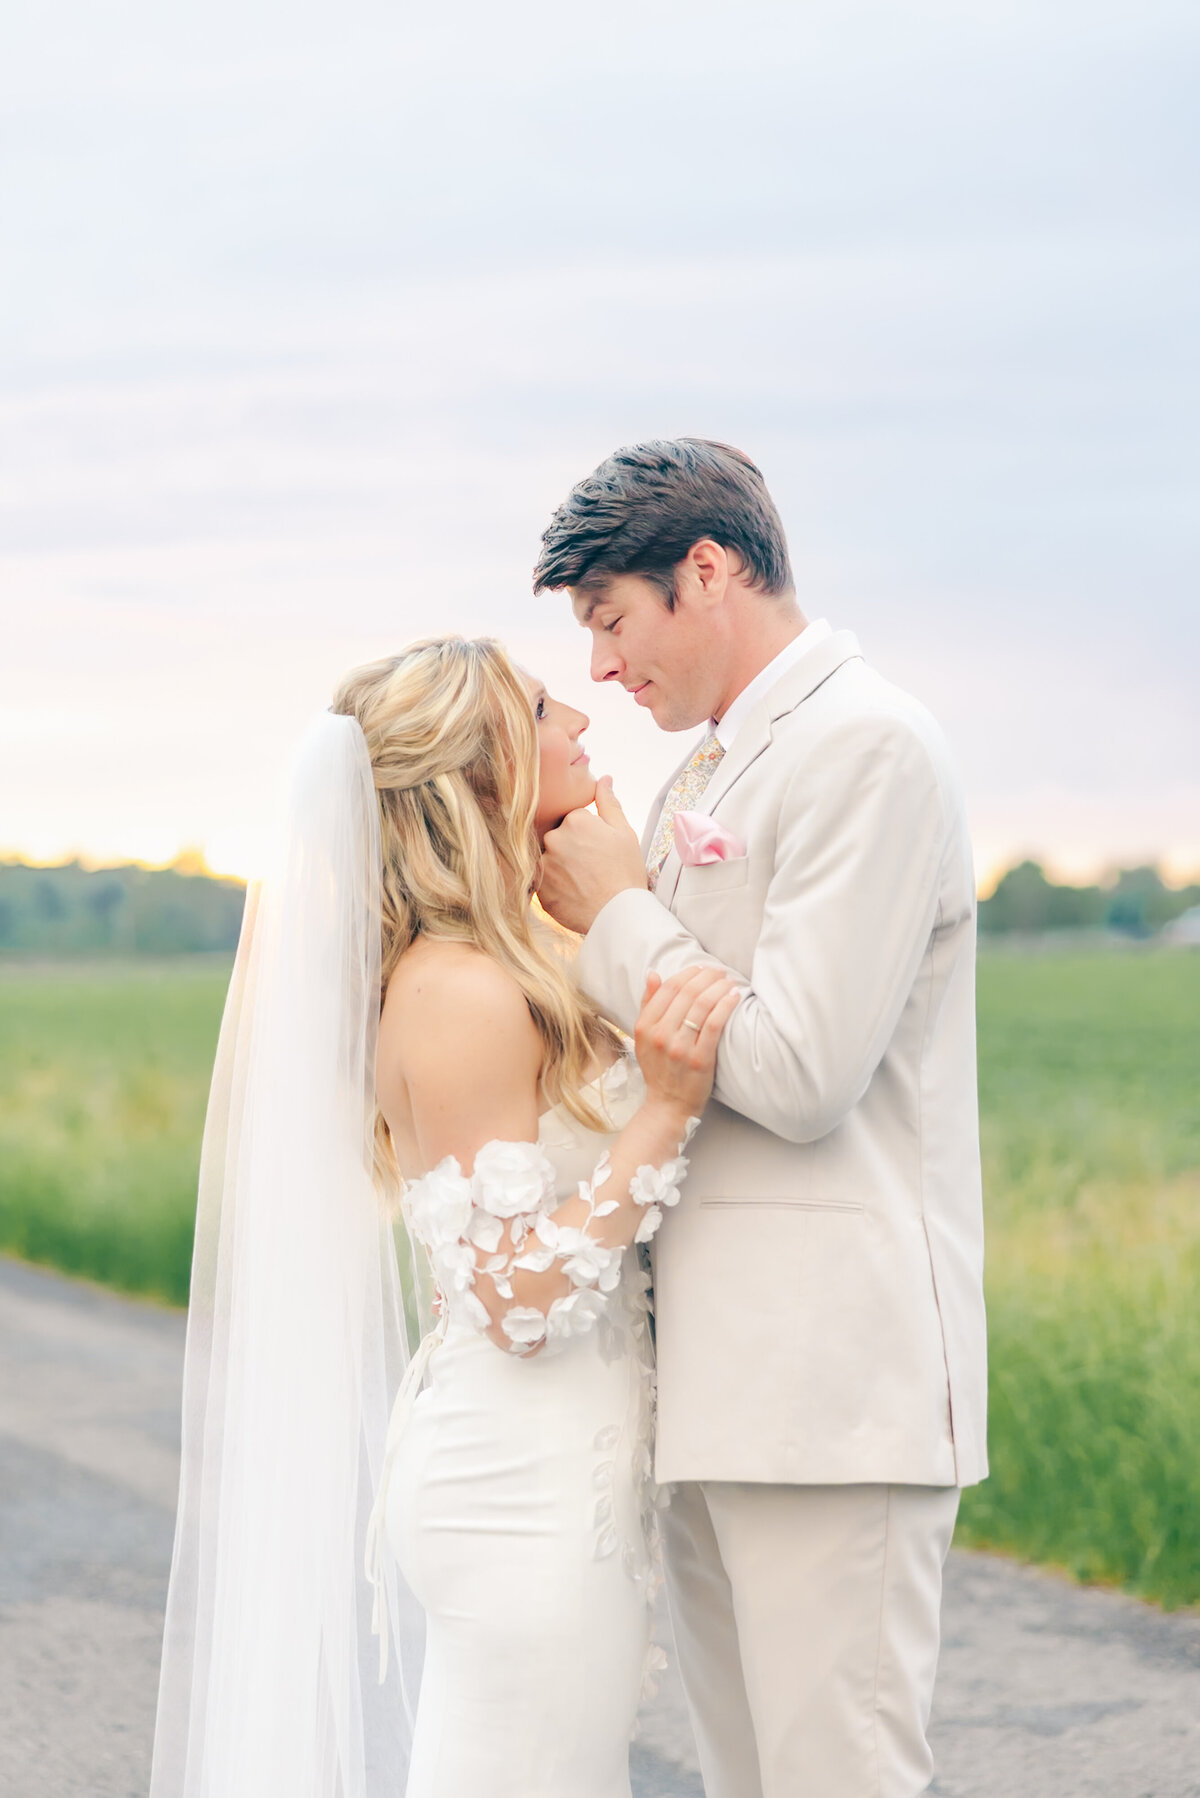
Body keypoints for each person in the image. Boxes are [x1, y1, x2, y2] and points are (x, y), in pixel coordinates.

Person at [150, 634, 737, 1798]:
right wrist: (662, 1107)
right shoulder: (461, 990)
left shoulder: (503, 963)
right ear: (482, 772)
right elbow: (515, 1299)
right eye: (539, 706)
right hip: (521, 1489)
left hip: (560, 1471)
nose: (579, 714)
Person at [533, 437, 989, 1798]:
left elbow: (797, 1069)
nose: (605, 670)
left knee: (833, 1776)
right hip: (705, 1389)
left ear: (708, 569)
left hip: (829, 1385)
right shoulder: (699, 779)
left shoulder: (870, 746)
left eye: (612, 620)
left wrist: (620, 909)